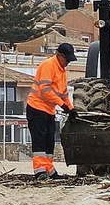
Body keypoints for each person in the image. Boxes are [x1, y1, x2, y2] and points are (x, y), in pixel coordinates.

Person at [26, 42, 77, 177]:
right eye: (67, 59)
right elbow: (45, 90)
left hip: (49, 110)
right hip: (36, 108)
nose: (68, 63)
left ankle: (49, 170)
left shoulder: (62, 70)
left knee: (49, 141)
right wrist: (63, 105)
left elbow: (64, 93)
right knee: (40, 142)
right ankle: (40, 171)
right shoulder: (48, 65)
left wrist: (71, 109)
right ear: (59, 55)